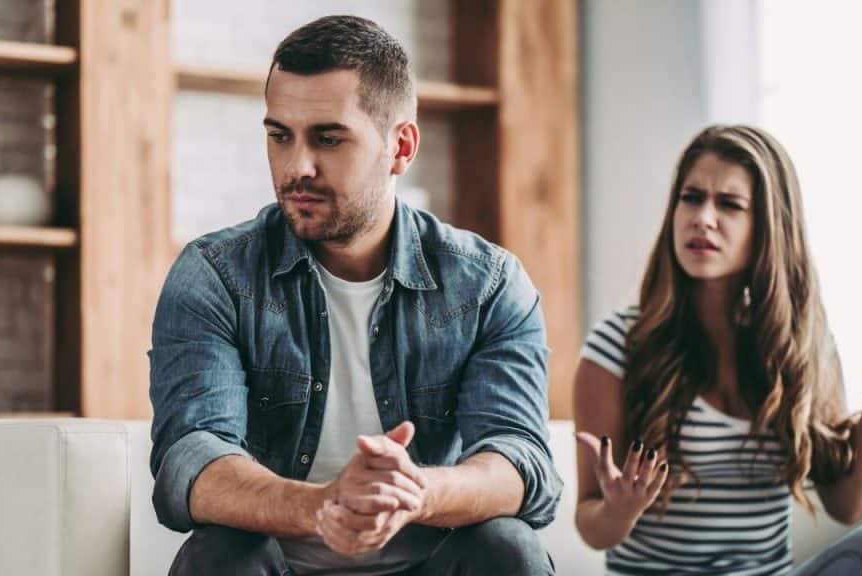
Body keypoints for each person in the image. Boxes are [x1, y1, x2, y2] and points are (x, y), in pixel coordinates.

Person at [149, 15, 559, 576]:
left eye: (328, 137)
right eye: (279, 136)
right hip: (280, 568)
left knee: (507, 548)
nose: (297, 167)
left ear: (401, 147)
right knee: (219, 554)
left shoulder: (487, 284)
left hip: (431, 564)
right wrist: (323, 505)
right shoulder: (216, 275)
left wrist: (417, 492)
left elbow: (520, 461)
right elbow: (192, 462)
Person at [573, 125, 862, 575]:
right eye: (691, 197)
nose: (703, 217)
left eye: (729, 204)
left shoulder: (802, 344)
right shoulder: (616, 345)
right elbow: (590, 525)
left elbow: (848, 503)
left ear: (767, 226)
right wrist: (620, 509)